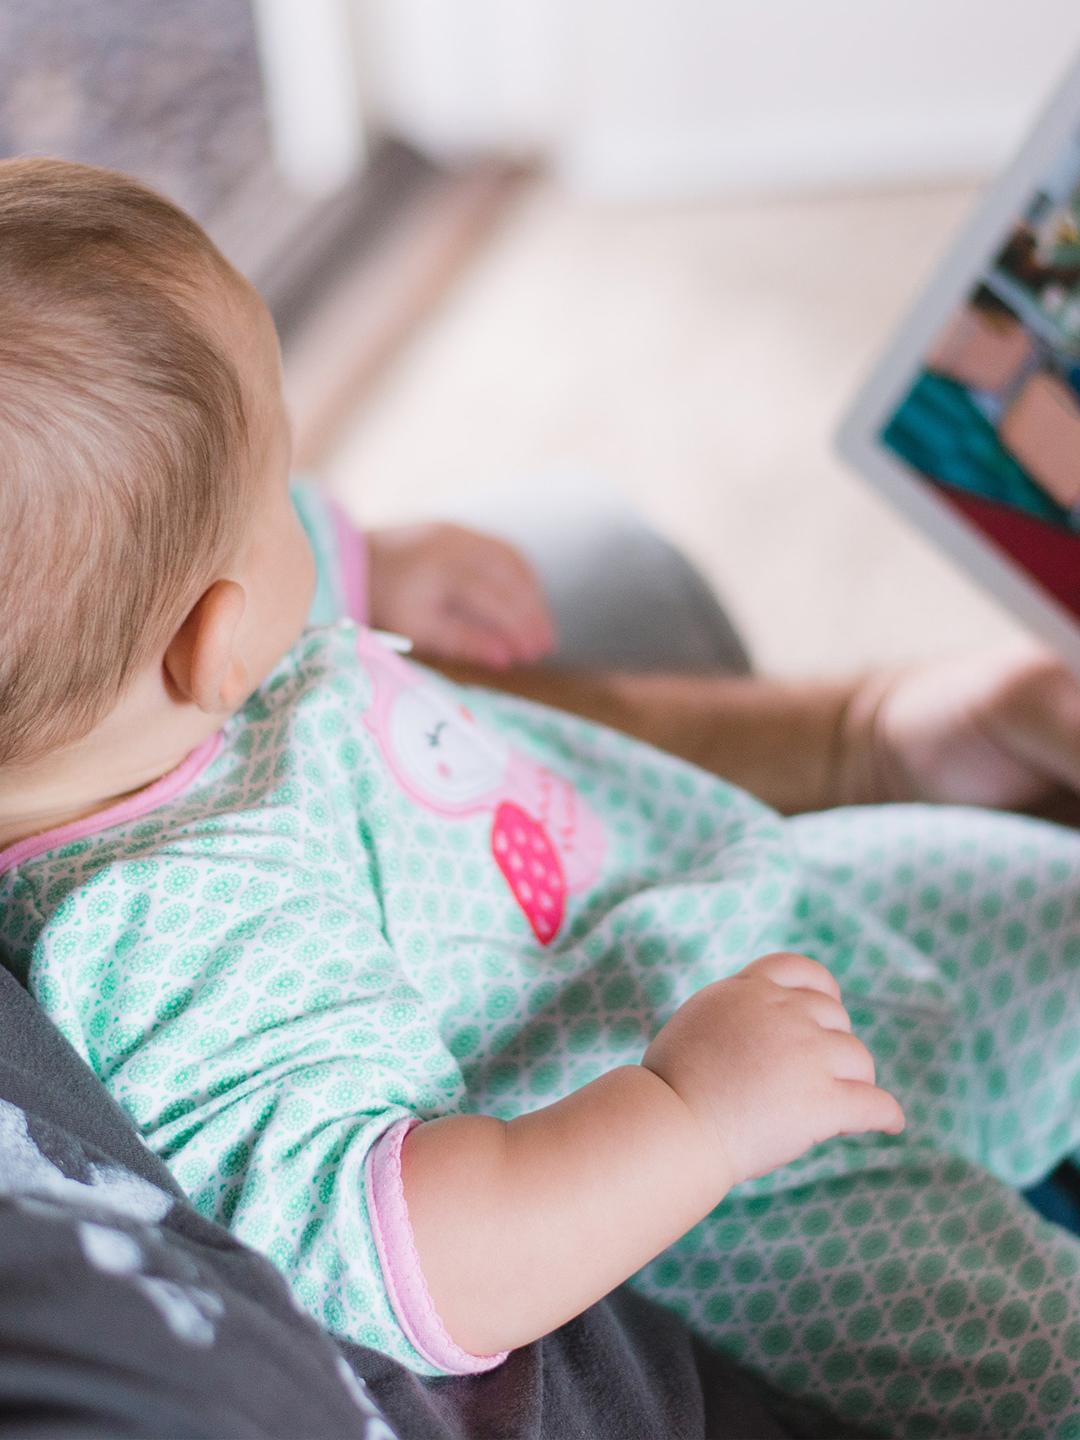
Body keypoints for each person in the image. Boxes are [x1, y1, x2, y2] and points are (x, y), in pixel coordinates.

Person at [3, 158, 1080, 1439]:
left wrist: (373, 561)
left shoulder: (136, 683)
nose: (310, 507)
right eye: (282, 487)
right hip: (746, 1183)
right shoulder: (172, 933)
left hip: (744, 900)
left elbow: (197, 556)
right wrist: (692, 1116)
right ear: (215, 644)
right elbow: (403, 1258)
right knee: (1041, 1361)